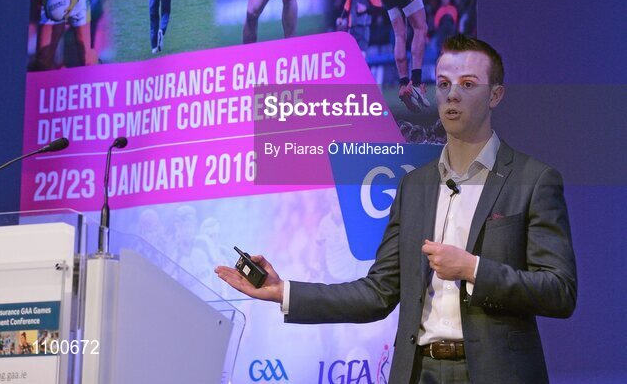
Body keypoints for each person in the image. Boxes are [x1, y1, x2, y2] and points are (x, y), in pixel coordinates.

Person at [215, 34, 577, 384]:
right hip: (420, 371)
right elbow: (378, 293)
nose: (453, 94)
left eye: (468, 84)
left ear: (495, 95)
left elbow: (559, 290)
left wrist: (473, 269)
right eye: (444, 83)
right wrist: (283, 291)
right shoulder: (414, 186)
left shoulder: (534, 179)